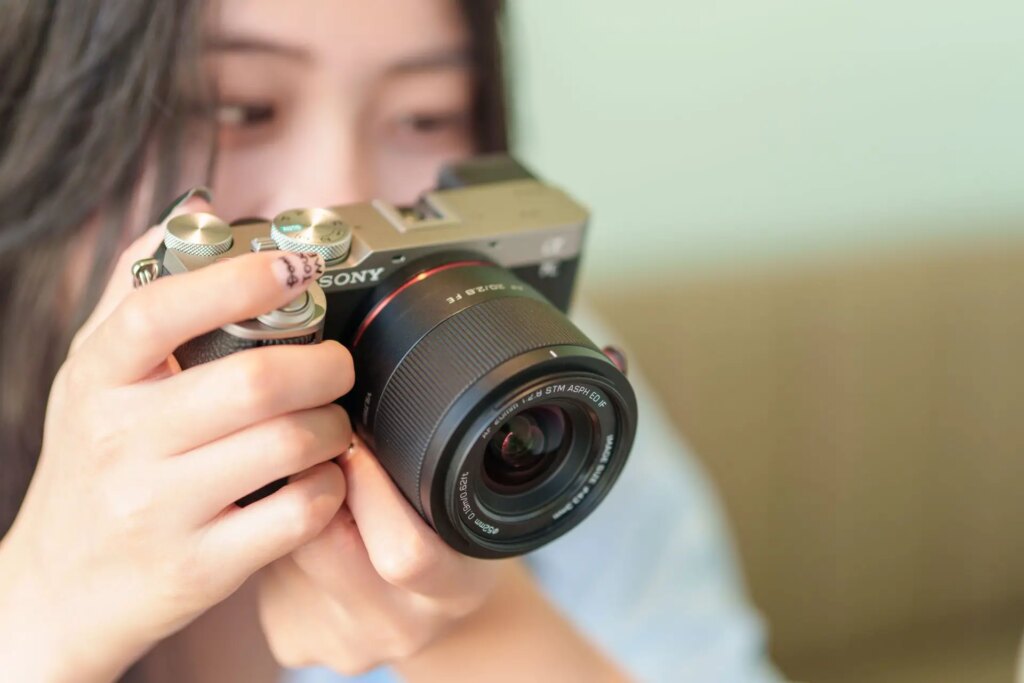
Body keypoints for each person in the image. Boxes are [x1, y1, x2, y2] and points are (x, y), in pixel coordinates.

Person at [0, 1, 779, 681]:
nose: (338, 199)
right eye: (239, 109)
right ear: (44, 131)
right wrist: (42, 604)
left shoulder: (534, 383)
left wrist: (476, 631)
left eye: (424, 116)